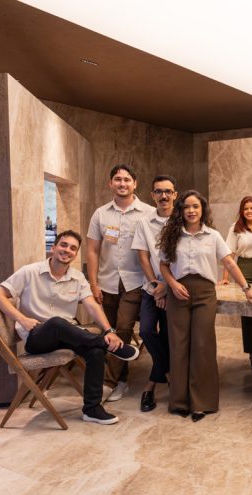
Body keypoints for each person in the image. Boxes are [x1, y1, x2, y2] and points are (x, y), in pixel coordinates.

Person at [0, 230, 139, 425]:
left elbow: (92, 306)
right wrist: (22, 319)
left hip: (66, 336)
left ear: (75, 255)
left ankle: (92, 409)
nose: (67, 250)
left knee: (94, 352)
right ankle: (106, 344)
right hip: (37, 337)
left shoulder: (77, 278)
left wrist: (109, 331)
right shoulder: (30, 271)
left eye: (73, 248)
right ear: (53, 248)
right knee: (57, 322)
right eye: (63, 245)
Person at [159, 190, 252, 422]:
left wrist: (247, 289)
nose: (191, 211)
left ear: (202, 209)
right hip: (178, 293)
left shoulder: (213, 236)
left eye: (195, 206)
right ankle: (179, 401)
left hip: (205, 294)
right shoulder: (172, 235)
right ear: (180, 210)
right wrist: (173, 284)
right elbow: (163, 265)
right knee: (178, 346)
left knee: (202, 346)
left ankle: (201, 402)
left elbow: (230, 263)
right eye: (187, 206)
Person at [86, 164, 154, 402]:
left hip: (136, 281)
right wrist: (93, 283)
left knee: (123, 329)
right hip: (107, 282)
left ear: (135, 183)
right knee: (110, 330)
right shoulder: (100, 214)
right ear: (110, 183)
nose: (122, 183)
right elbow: (92, 250)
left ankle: (109, 382)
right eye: (117, 179)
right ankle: (122, 380)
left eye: (127, 179)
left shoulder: (148, 213)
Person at [131, 174, 177, 412]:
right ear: (152, 195)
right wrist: (155, 287)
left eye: (168, 191)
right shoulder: (143, 222)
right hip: (150, 288)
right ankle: (168, 375)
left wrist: (166, 287)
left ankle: (149, 387)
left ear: (175, 195)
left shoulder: (182, 221)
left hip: (175, 288)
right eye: (159, 191)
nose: (164, 196)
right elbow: (143, 257)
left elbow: (184, 259)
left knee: (169, 336)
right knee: (146, 331)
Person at [219, 196, 252, 372]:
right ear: (242, 211)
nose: (249, 211)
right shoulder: (235, 229)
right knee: (248, 312)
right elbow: (229, 255)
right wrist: (225, 278)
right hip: (245, 270)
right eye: (246, 208)